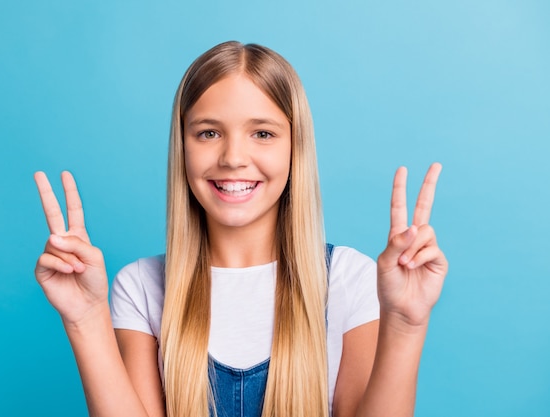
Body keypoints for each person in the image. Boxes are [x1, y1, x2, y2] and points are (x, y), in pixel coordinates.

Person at [33, 41, 448, 417]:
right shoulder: (141, 287)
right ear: (182, 147)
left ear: (294, 148)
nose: (233, 157)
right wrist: (86, 320)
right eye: (209, 133)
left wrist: (405, 326)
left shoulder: (348, 279)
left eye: (262, 133)